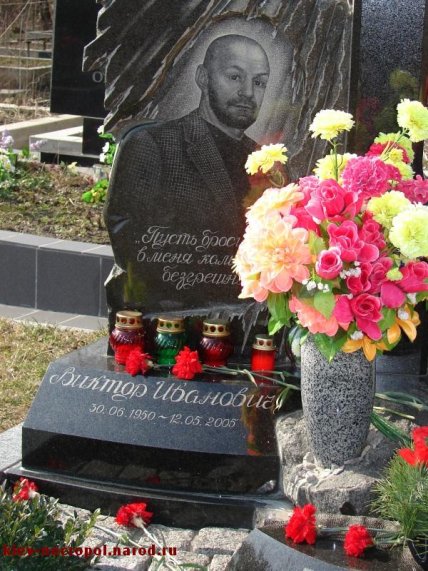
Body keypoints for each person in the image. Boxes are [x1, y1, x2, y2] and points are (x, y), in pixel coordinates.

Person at [105, 34, 270, 314]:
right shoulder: (154, 144)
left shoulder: (267, 162)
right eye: (234, 77)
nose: (248, 92)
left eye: (259, 82)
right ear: (202, 77)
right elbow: (128, 240)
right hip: (170, 312)